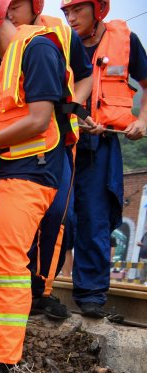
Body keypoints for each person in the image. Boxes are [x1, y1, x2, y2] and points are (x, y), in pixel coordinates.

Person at [0, 0, 94, 323]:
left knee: (48, 226)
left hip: (38, 163)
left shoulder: (41, 46)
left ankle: (36, 296)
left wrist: (76, 108)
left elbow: (41, 119)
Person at [62, 0, 147, 317]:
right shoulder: (57, 42)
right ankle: (39, 288)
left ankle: (91, 295)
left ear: (98, 9)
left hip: (104, 143)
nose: (71, 18)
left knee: (95, 218)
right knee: (58, 216)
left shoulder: (126, 40)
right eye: (66, 12)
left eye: (77, 11)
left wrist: (142, 121)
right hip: (62, 141)